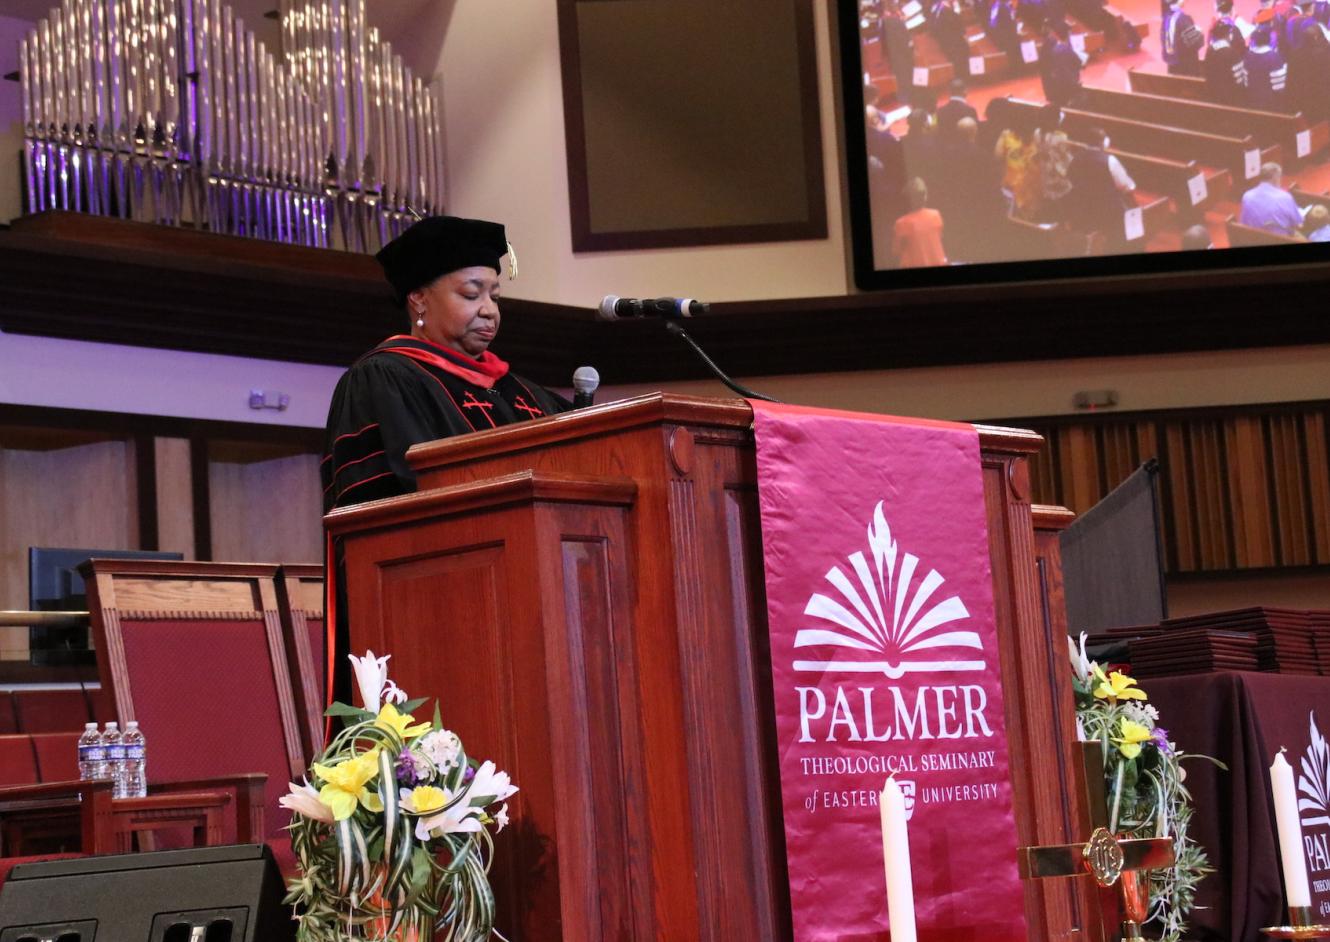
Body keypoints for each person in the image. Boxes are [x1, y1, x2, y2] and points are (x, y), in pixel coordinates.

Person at [321, 215, 572, 704]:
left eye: (494, 295)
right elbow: (387, 507)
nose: (489, 311)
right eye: (471, 294)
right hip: (440, 612)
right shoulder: (383, 381)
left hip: (535, 608)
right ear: (418, 299)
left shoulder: (526, 395)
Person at [1065, 126, 1137, 241]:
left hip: (1082, 207)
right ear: (1102, 142)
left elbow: (1070, 177)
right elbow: (1126, 186)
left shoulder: (1075, 158)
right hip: (1106, 209)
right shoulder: (1110, 160)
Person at [993, 106, 1041, 218]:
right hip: (1031, 184)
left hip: (1012, 183)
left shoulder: (1006, 135)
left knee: (1011, 215)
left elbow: (997, 156)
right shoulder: (1037, 136)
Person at [892, 177, 948, 266]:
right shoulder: (936, 215)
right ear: (925, 196)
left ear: (907, 198)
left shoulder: (902, 223)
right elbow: (939, 239)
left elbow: (897, 250)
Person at [1238, 162, 1304, 235]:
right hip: (1281, 239)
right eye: (1280, 177)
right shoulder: (1285, 197)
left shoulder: (1247, 196)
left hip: (1254, 238)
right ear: (1275, 178)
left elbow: (1244, 223)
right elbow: (1298, 223)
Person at [1244, 25, 1290, 109]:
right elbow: (1279, 86)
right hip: (1270, 103)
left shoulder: (1248, 56)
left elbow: (1246, 82)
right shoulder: (1274, 57)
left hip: (1252, 101)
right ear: (1269, 39)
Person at [1040, 22, 1085, 107]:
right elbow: (1078, 63)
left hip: (1055, 83)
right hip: (1066, 84)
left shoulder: (1052, 46)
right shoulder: (1062, 48)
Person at [1205, 20, 1250, 103]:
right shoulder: (1232, 53)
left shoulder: (1210, 50)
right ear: (1228, 35)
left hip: (1213, 95)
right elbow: (1239, 81)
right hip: (1229, 98)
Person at [1161, 0, 1205, 74]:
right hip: (1185, 66)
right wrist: (1199, 32)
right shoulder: (1183, 19)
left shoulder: (1166, 18)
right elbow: (1194, 43)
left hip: (1172, 64)